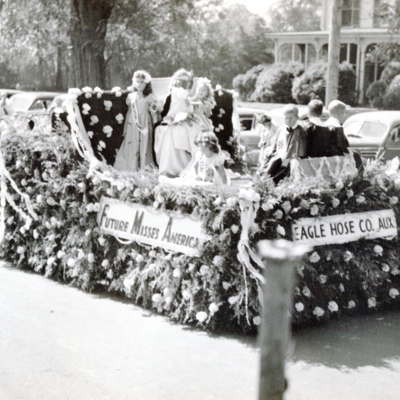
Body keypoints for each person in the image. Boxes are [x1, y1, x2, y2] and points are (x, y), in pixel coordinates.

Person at [154, 69, 204, 177]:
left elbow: (188, 107)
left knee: (195, 129)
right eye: (184, 82)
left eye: (186, 82)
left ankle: (194, 162)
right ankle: (178, 167)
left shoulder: (182, 94)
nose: (185, 85)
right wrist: (196, 84)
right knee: (183, 130)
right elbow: (191, 96)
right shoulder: (177, 91)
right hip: (174, 120)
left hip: (183, 120)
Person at [114, 70, 159, 172]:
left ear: (146, 83)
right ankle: (131, 168)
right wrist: (126, 126)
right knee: (132, 144)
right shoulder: (131, 96)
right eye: (137, 81)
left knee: (144, 145)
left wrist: (154, 109)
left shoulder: (150, 97)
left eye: (142, 82)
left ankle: (144, 168)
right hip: (132, 124)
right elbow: (130, 112)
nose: (139, 84)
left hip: (145, 124)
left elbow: (155, 110)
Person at [262, 104, 307, 184]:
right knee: (270, 160)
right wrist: (272, 150)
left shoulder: (299, 131)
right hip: (280, 153)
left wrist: (287, 159)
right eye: (286, 118)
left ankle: (267, 180)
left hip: (291, 157)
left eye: (291, 118)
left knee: (275, 162)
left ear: (297, 118)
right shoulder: (282, 129)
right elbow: (277, 141)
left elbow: (295, 146)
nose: (288, 121)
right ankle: (263, 178)